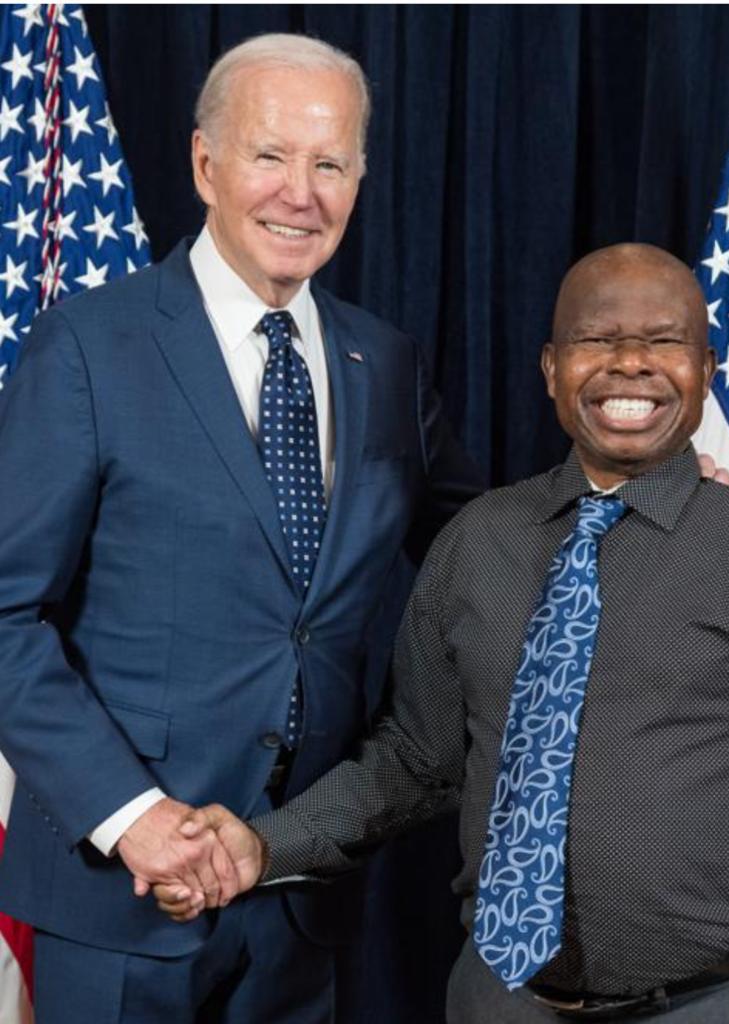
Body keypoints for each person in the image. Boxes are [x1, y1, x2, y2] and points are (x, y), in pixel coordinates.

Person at [158, 244, 729, 1024]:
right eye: (597, 339)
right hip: (502, 998)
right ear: (552, 368)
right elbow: (413, 762)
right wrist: (266, 846)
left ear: (706, 369)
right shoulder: (478, 542)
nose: (631, 363)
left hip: (721, 1002)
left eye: (664, 341)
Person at [0, 33, 481, 1024]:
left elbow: (482, 542)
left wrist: (626, 488)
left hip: (301, 894)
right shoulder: (88, 346)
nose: (300, 194)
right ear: (204, 164)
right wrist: (131, 817)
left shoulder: (385, 363)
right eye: (270, 155)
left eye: (330, 164)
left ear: (359, 179)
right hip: (122, 894)